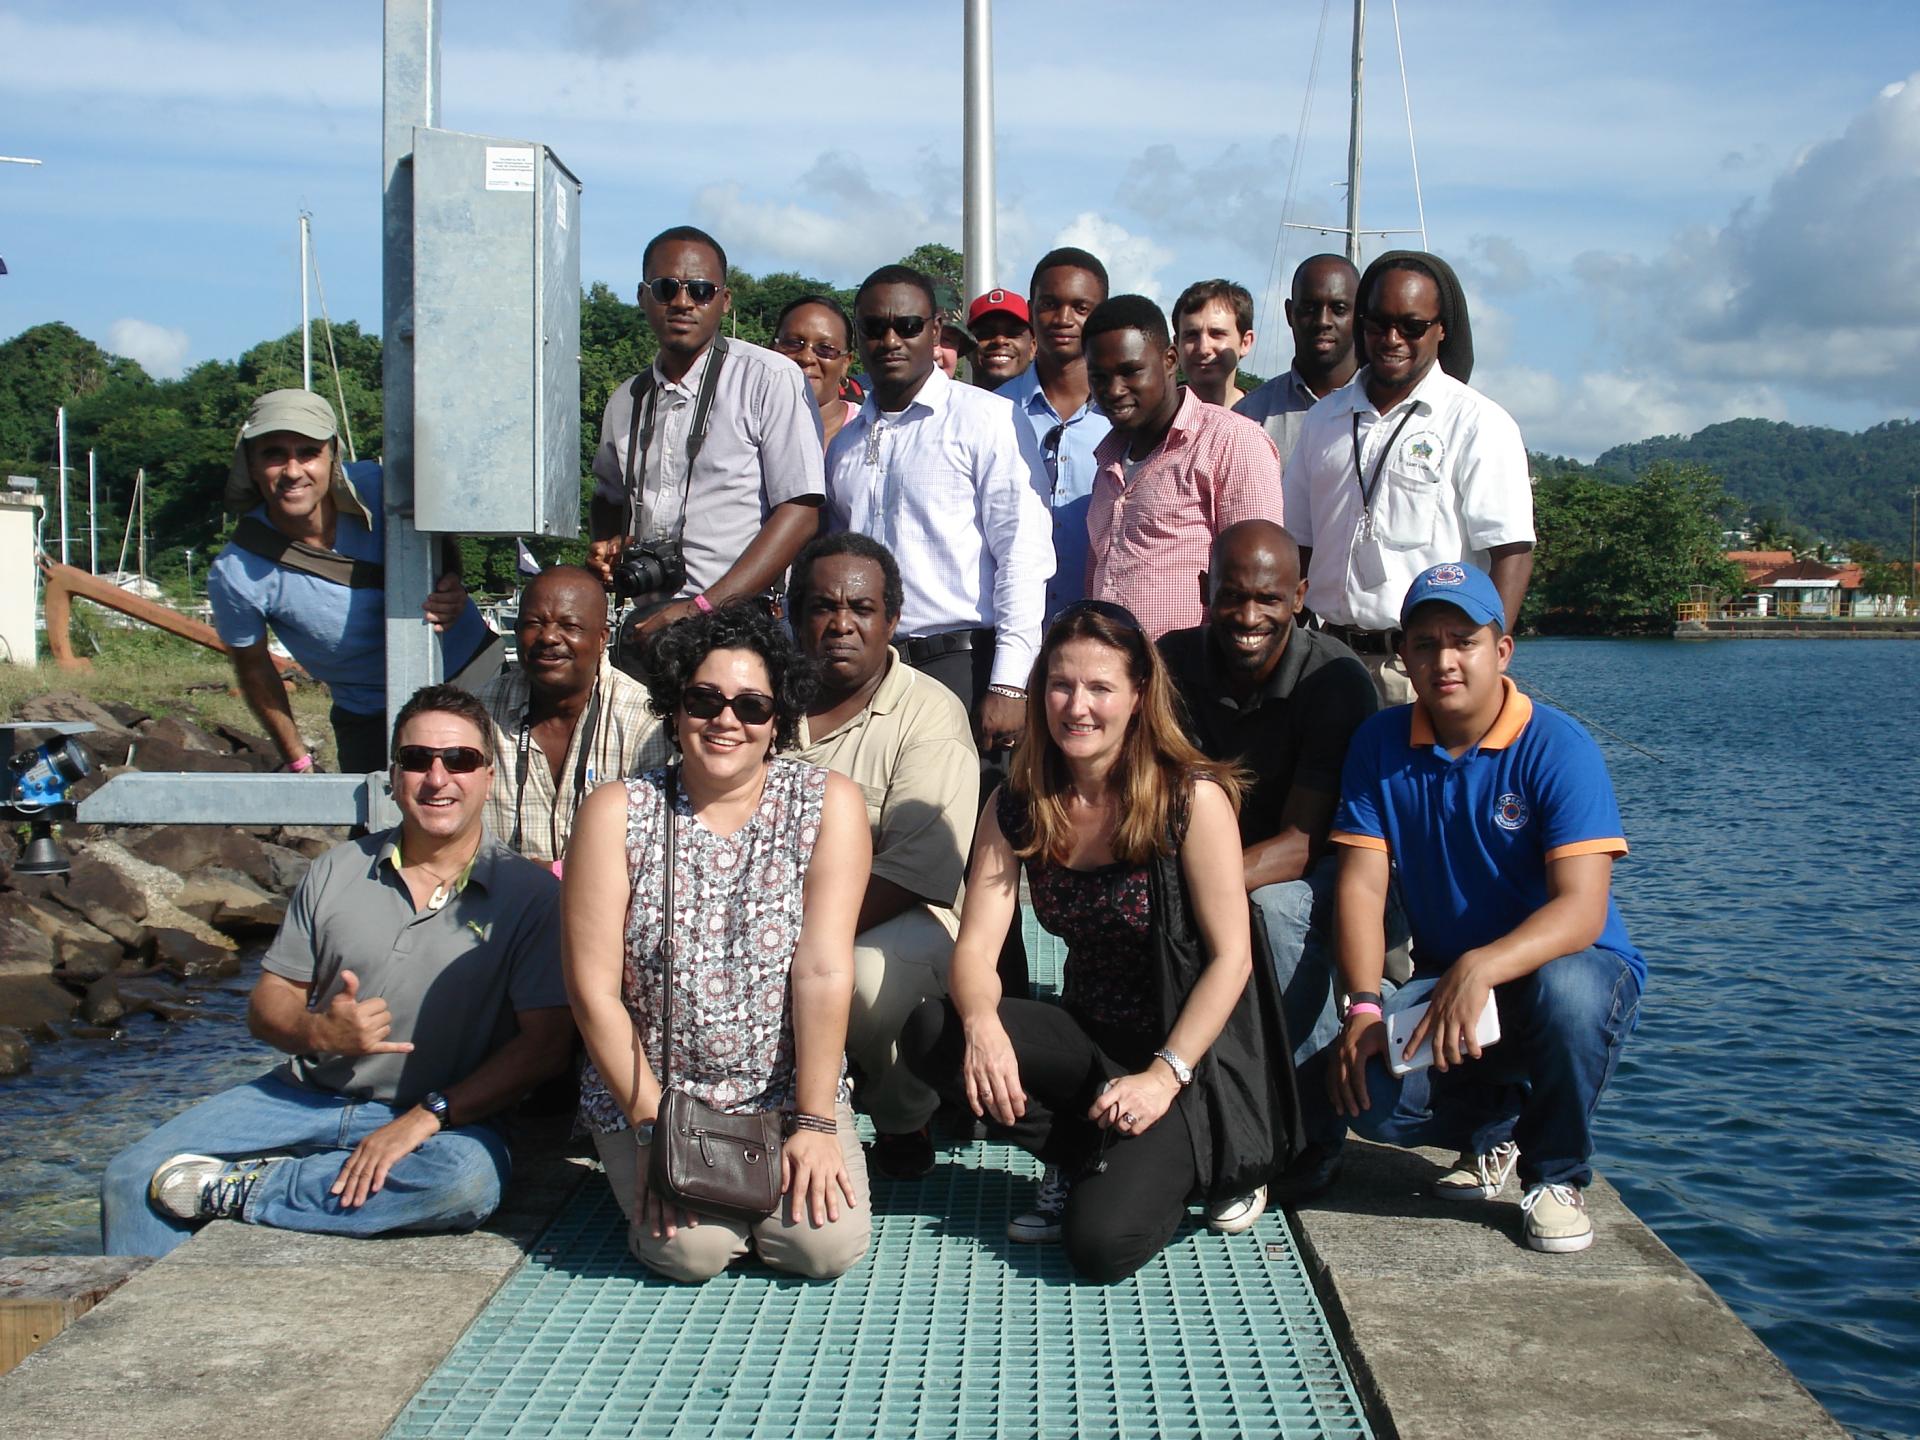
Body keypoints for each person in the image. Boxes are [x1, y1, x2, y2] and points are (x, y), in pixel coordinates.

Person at [101, 685, 574, 1257]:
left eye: (460, 760)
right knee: (130, 1177)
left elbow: (545, 1048)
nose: (437, 777)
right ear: (394, 775)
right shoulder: (336, 870)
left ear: (489, 777)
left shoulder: (529, 898)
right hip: (305, 1098)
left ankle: (252, 1190)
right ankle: (146, 1334)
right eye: (417, 758)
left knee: (464, 1183)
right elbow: (269, 1002)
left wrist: (428, 1116)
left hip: (442, 1119)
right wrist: (318, 1032)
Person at [902, 602, 1298, 1282]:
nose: (1076, 706)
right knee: (932, 1031)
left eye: (1100, 688)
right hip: (1091, 1039)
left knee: (1100, 1245)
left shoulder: (1190, 800)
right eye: (1061, 685)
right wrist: (982, 1025)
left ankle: (1207, 1159)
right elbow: (975, 947)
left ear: (1139, 696)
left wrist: (1162, 1075)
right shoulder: (1020, 801)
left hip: (1187, 1057)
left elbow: (1233, 959)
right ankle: (1087, 1147)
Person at [1325, 562, 1646, 1254]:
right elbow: (1360, 886)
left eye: (1463, 640)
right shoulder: (1380, 745)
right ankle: (1493, 1129)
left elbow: (1583, 910)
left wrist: (1483, 964)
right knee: (1365, 1094)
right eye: (1427, 642)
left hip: (1569, 968)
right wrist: (1363, 1007)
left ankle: (1556, 1173)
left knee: (1568, 995)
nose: (1445, 659)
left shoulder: (1556, 747)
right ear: (1403, 657)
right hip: (1455, 982)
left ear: (1501, 651)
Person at [562, 603, 874, 1283]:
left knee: (820, 1248)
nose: (726, 720)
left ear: (777, 722)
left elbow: (822, 969)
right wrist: (650, 1128)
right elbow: (594, 993)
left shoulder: (829, 804)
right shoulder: (617, 811)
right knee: (690, 1252)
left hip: (786, 1093)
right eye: (704, 699)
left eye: (751, 707)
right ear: (675, 709)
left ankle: (782, 1172)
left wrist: (815, 1124)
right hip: (658, 1098)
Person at [789, 533, 979, 1179]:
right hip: (765, 918)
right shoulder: (760, 705)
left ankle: (904, 1118)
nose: (841, 624)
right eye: (821, 606)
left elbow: (918, 870)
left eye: (861, 608)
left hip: (896, 921)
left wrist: (797, 942)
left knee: (866, 978)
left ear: (892, 620)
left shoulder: (930, 714)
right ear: (795, 617)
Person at [1282, 250, 1533, 703]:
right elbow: (1297, 543)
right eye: (1377, 323)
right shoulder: (1323, 420)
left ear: (1441, 330)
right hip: (1326, 659)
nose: (1391, 338)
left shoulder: (1477, 424)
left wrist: (1479, 659)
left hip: (1424, 666)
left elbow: (1511, 553)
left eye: (1411, 326)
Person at [825, 263, 1053, 758]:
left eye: (907, 326)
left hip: (961, 667)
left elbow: (1023, 555)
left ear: (934, 331)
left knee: (968, 828)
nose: (891, 339)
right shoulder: (844, 445)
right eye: (874, 327)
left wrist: (1011, 683)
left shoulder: (987, 419)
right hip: (868, 672)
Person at [207, 388, 490, 774]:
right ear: (251, 466)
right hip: (373, 716)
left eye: (308, 452)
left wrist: (452, 584)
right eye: (274, 454)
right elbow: (255, 669)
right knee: (383, 829)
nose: (293, 471)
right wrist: (297, 759)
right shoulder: (237, 572)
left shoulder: (385, 488)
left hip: (472, 674)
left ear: (332, 457)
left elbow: (440, 536)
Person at [585, 225, 824, 642]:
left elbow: (800, 512)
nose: (682, 302)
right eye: (665, 288)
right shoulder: (626, 400)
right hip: (651, 622)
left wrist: (702, 606)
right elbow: (607, 496)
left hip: (742, 623)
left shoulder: (768, 378)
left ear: (724, 300)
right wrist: (607, 546)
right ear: (643, 297)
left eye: (700, 290)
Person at [1083, 295, 1284, 639]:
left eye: (1130, 372)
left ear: (1170, 359)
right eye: (1099, 377)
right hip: (1115, 677)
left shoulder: (1232, 442)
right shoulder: (1108, 461)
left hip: (1195, 680)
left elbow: (1257, 584)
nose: (1113, 390)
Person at [477, 565, 669, 866]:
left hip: (610, 907)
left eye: (569, 626)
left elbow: (655, 851)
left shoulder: (647, 723)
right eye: (533, 623)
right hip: (499, 906)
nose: (549, 637)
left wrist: (558, 876)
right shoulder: (479, 714)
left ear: (602, 638)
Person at [998, 248, 1113, 617]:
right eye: (1050, 304)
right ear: (1031, 308)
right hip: (1007, 632)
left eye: (1081, 308)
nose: (1063, 319)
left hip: (1101, 632)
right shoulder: (993, 411)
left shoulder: (1124, 419)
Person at [1235, 254, 1361, 467]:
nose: (1323, 321)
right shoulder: (1248, 417)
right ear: (1289, 313)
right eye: (1309, 308)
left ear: (1359, 315)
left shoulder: (1386, 410)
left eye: (1339, 309)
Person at [772, 294, 861, 449]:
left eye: (825, 349)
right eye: (793, 343)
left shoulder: (867, 432)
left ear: (845, 362)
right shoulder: (744, 426)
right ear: (771, 349)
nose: (806, 358)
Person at [1172, 279, 1256, 409]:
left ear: (1245, 343)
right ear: (1176, 345)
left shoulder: (1266, 418)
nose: (1203, 348)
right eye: (1191, 335)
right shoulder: (1154, 422)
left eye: (1216, 334)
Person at [968, 288, 1036, 391]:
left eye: (1013, 333)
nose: (1000, 340)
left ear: (1032, 347)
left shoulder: (1049, 406)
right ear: (967, 347)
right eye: (985, 333)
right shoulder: (947, 406)